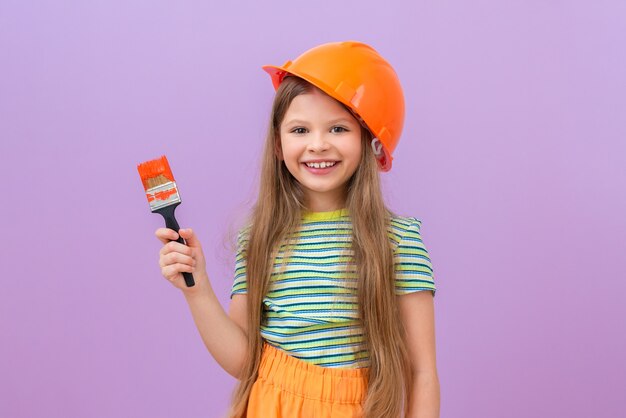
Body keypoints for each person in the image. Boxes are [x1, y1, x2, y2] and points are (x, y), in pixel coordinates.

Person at [155, 41, 439, 418]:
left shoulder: (398, 240)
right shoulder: (259, 238)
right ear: (278, 143)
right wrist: (198, 288)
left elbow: (421, 372)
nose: (318, 145)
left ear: (371, 141)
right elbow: (244, 363)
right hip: (269, 405)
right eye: (300, 130)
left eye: (338, 128)